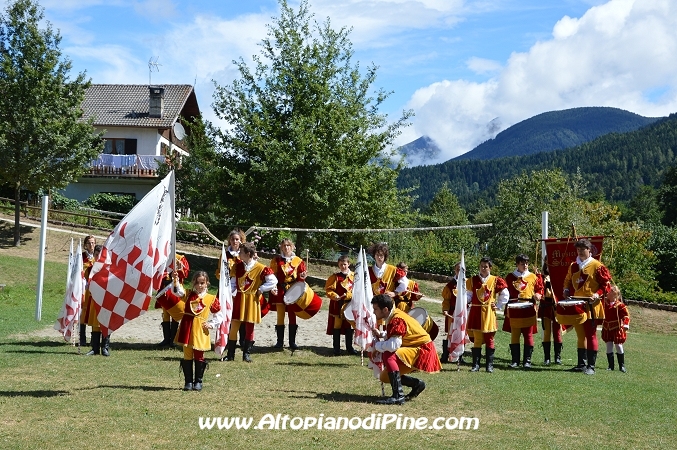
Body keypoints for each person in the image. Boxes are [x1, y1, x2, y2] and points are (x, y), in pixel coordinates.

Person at [370, 294, 441, 405]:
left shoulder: (397, 318)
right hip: (417, 348)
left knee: (389, 354)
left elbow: (394, 345)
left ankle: (398, 396)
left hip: (423, 350)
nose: (374, 312)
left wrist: (378, 347)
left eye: (375, 309)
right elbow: (399, 335)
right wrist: (382, 335)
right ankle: (417, 384)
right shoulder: (394, 315)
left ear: (385, 309)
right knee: (385, 376)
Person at [562, 238, 612, 375]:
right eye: (578, 249)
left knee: (590, 335)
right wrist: (566, 290)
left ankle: (591, 366)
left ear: (589, 250)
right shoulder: (573, 265)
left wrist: (597, 294)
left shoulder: (597, 265)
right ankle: (581, 364)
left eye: (583, 249)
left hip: (591, 305)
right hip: (577, 304)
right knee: (580, 335)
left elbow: (605, 285)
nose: (580, 252)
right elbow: (567, 280)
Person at [222, 242, 278, 362]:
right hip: (239, 299)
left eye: (241, 252)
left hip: (252, 300)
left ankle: (246, 354)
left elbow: (273, 281)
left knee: (249, 327)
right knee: (234, 326)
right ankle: (230, 354)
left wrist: (261, 289)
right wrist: (230, 294)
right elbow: (232, 282)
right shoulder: (238, 266)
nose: (239, 254)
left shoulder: (261, 268)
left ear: (248, 254)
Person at [173, 271, 221, 391]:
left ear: (207, 283)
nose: (200, 285)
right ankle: (188, 382)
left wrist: (211, 324)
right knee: (187, 354)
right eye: (197, 283)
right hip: (187, 327)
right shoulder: (188, 294)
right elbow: (177, 291)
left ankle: (198, 381)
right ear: (193, 282)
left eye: (202, 283)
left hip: (200, 329)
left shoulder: (211, 298)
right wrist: (175, 280)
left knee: (199, 354)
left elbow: (219, 315)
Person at [466, 257, 509, 373]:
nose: (483, 268)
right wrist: (464, 301)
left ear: (490, 267)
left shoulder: (495, 280)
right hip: (476, 312)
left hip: (489, 313)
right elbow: (469, 295)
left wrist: (499, 305)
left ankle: (489, 366)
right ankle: (476, 365)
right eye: (481, 266)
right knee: (477, 339)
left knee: (489, 338)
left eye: (486, 266)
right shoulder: (473, 280)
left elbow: (504, 294)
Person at [503, 254, 543, 369]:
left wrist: (538, 295)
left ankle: (527, 361)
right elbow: (505, 292)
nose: (525, 265)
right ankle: (515, 360)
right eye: (522, 263)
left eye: (526, 263)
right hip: (514, 308)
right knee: (515, 334)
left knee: (528, 334)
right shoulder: (510, 277)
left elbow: (539, 289)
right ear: (517, 264)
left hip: (528, 308)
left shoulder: (532, 277)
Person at [268, 238, 306, 350]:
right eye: (284, 245)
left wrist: (302, 277)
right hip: (280, 289)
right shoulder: (276, 260)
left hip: (293, 290)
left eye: (288, 245)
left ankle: (292, 342)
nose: (286, 247)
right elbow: (272, 276)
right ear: (281, 247)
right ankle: (279, 342)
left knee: (292, 315)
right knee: (280, 316)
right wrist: (273, 287)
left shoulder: (298, 261)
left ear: (292, 247)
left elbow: (300, 278)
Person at [215, 229, 248, 349]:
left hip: (240, 287)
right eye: (233, 239)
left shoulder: (244, 253)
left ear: (241, 240)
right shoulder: (225, 254)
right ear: (229, 240)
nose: (235, 241)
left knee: (241, 313)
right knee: (226, 313)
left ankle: (243, 340)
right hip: (226, 288)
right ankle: (227, 340)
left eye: (237, 239)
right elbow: (219, 271)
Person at [81, 245, 112, 356]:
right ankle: (94, 348)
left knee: (104, 322)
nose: (98, 257)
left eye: (100, 255)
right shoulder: (90, 268)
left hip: (106, 299)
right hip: (94, 299)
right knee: (95, 323)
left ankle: (105, 348)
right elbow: (85, 279)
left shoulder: (109, 268)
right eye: (96, 254)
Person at [325, 255, 358, 356]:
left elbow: (357, 290)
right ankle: (336, 348)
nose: (343, 266)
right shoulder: (335, 277)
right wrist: (335, 296)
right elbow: (329, 289)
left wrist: (348, 295)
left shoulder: (355, 277)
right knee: (337, 326)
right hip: (338, 305)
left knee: (349, 326)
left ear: (348, 264)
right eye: (341, 264)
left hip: (350, 304)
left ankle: (349, 347)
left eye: (345, 264)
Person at [155, 253, 190, 347]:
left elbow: (185, 274)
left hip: (175, 287)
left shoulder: (180, 258)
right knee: (165, 314)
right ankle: (166, 339)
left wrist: (179, 268)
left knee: (175, 313)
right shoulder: (161, 256)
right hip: (164, 288)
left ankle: (173, 340)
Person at [602, 285, 630, 372]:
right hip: (607, 327)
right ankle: (611, 366)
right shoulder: (604, 303)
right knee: (609, 346)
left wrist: (626, 325)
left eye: (610, 292)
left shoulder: (620, 306)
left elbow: (626, 316)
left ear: (615, 295)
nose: (608, 293)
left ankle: (622, 365)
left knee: (618, 345)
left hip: (616, 327)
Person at [539, 263, 563, 365]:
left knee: (557, 332)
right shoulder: (540, 277)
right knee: (547, 332)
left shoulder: (559, 275)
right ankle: (547, 358)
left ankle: (557, 357)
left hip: (556, 307)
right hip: (546, 306)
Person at [440, 262, 463, 364]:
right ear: (455, 270)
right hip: (452, 312)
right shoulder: (450, 285)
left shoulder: (467, 283)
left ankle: (460, 356)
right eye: (458, 269)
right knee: (450, 333)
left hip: (463, 312)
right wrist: (445, 310)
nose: (460, 271)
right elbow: (446, 300)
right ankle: (446, 355)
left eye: (462, 270)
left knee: (462, 333)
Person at [79, 235, 97, 348]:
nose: (91, 245)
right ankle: (82, 338)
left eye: (93, 243)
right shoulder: (82, 257)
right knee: (83, 312)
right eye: (89, 243)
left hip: (94, 289)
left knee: (92, 312)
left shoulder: (97, 257)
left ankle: (94, 338)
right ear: (85, 245)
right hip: (84, 289)